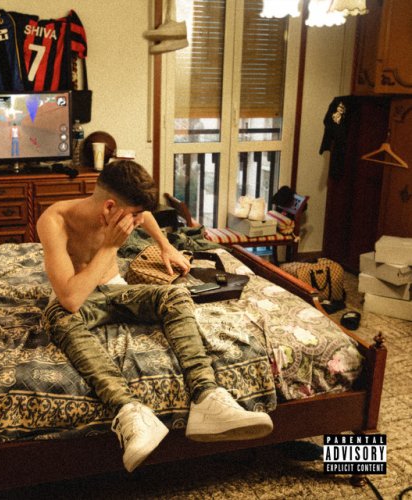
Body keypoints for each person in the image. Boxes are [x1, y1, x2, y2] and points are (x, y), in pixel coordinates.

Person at [37, 160, 273, 473]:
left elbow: (145, 213)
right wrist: (110, 246)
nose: (137, 222)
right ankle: (130, 411)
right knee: (57, 315)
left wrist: (165, 246)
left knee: (175, 294)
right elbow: (70, 298)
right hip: (81, 301)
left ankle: (206, 396)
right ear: (110, 207)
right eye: (132, 216)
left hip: (117, 291)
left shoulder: (126, 211)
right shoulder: (54, 220)